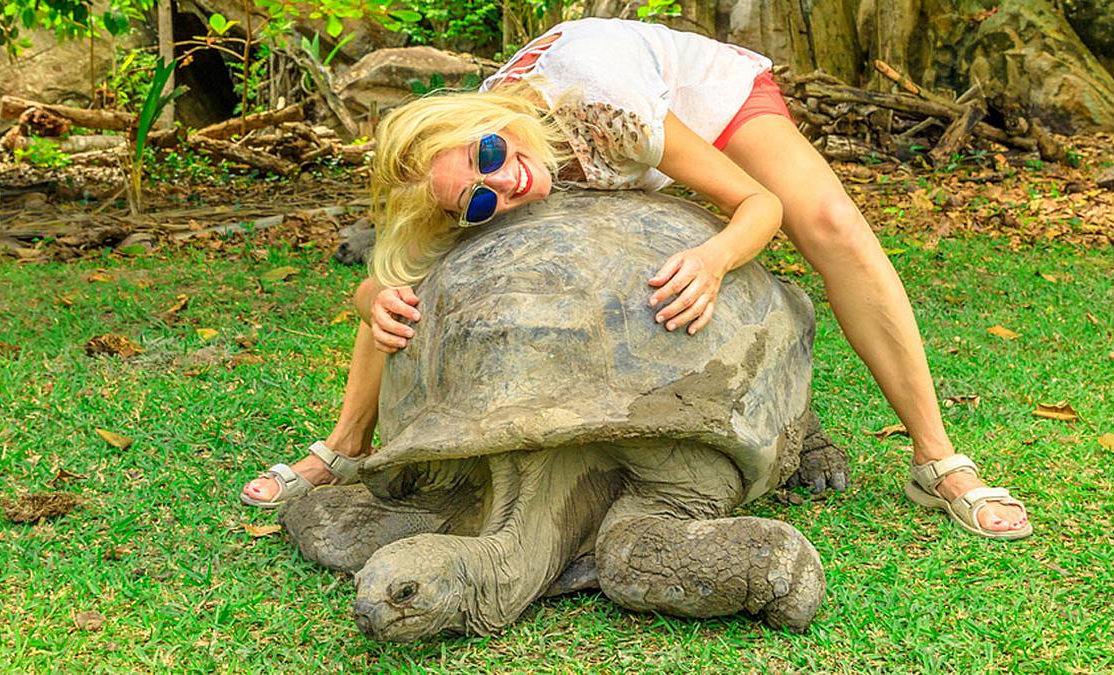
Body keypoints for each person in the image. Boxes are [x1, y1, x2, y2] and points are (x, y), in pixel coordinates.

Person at [241, 17, 1031, 540]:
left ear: (488, 124)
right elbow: (382, 278)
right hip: (575, 132)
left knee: (828, 222)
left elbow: (759, 204)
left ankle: (937, 458)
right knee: (402, 298)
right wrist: (377, 298)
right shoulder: (458, 167)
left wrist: (716, 256)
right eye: (479, 193)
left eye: (492, 154)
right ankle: (345, 447)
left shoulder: (607, 109)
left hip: (695, 93)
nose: (502, 182)